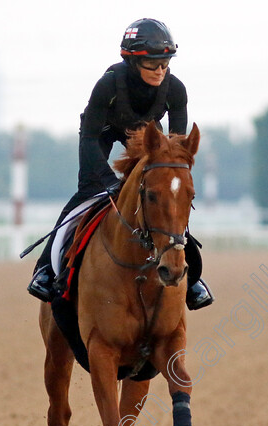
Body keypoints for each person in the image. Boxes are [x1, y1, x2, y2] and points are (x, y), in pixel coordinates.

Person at [27, 18, 214, 310]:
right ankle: (46, 271)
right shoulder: (108, 85)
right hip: (100, 134)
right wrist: (107, 181)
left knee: (166, 202)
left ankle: (194, 280)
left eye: (165, 63)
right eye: (153, 64)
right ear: (132, 61)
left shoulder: (176, 90)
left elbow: (176, 145)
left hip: (144, 137)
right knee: (87, 193)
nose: (160, 71)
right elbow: (89, 138)